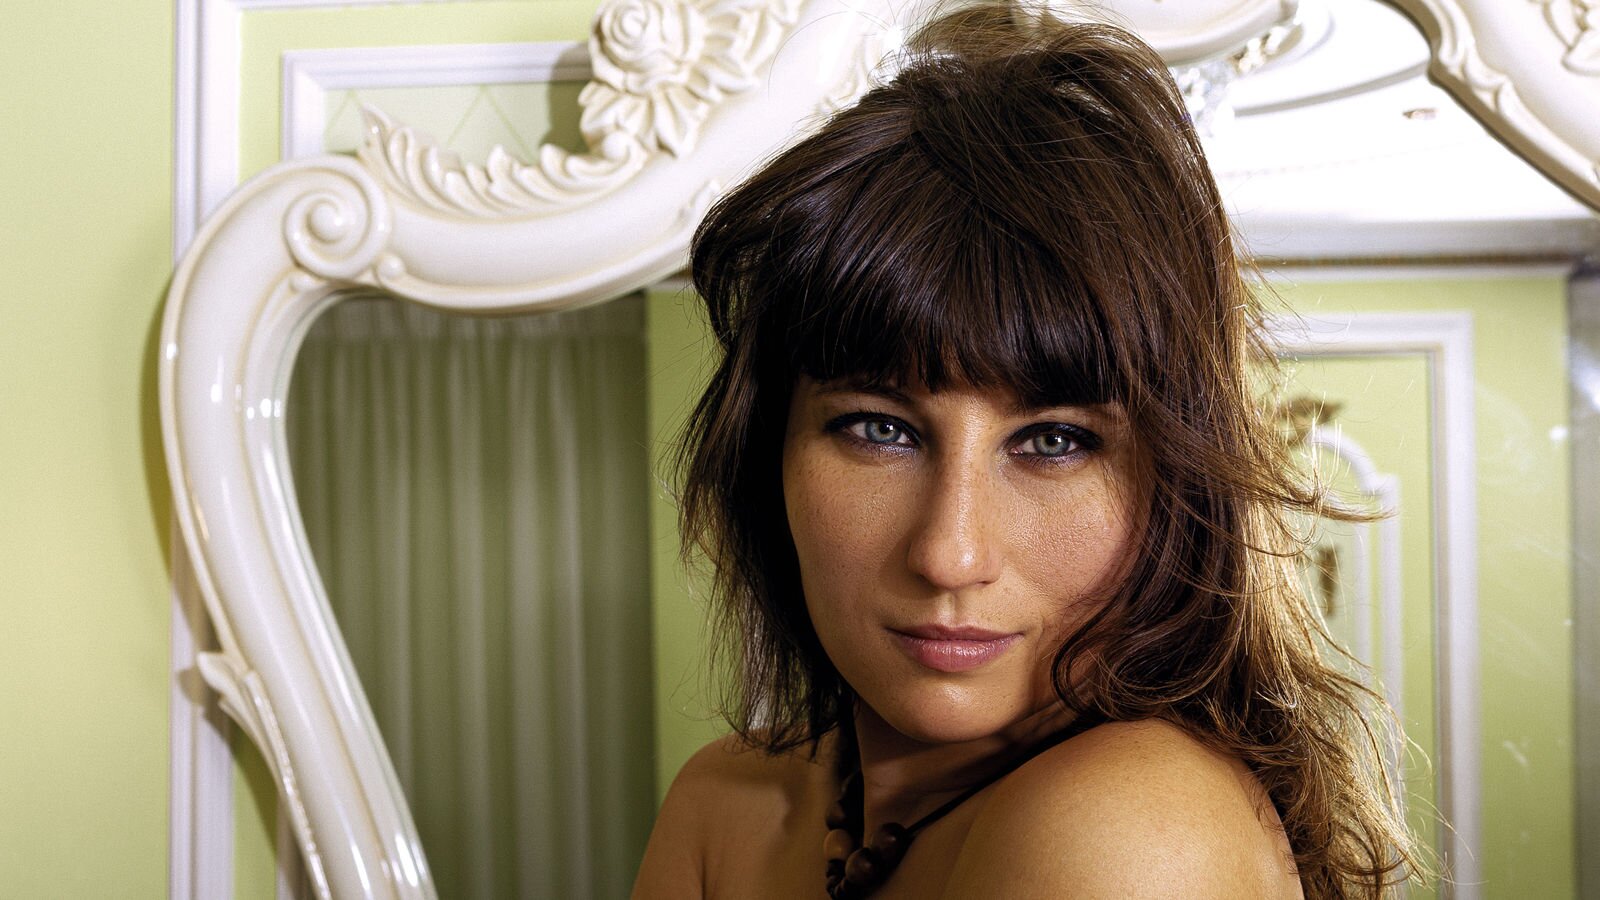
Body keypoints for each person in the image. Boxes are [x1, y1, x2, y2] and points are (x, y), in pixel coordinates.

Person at [633, 3, 1422, 897]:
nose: (949, 554)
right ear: (767, 454)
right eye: (879, 429)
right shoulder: (727, 802)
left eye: (1054, 441)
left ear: (1178, 488)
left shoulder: (1131, 830)